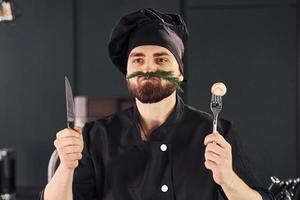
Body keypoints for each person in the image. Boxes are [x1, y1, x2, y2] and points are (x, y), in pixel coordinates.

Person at [42, 8, 274, 200]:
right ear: (127, 73)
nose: (148, 68)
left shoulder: (217, 132)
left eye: (161, 59)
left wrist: (227, 178)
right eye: (138, 59)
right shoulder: (95, 136)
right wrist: (65, 168)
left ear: (180, 73)